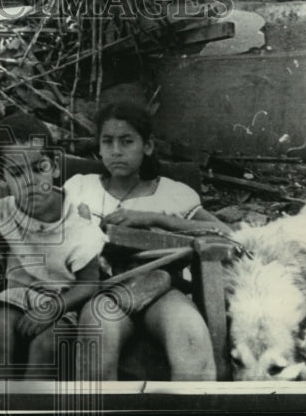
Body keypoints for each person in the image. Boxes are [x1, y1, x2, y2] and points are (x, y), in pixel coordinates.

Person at [67, 100, 226, 381]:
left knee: (192, 340)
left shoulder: (173, 193)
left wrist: (156, 219)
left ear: (148, 146)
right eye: (108, 142)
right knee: (97, 339)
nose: (116, 151)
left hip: (163, 288)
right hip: (105, 289)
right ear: (99, 147)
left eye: (127, 141)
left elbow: (227, 235)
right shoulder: (80, 187)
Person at [0, 114, 106, 379]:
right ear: (3, 177)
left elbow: (90, 282)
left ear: (54, 167)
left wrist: (53, 309)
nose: (30, 181)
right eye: (17, 173)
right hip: (17, 297)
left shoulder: (76, 217)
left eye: (38, 167)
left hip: (64, 301)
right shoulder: (1, 210)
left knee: (46, 347)